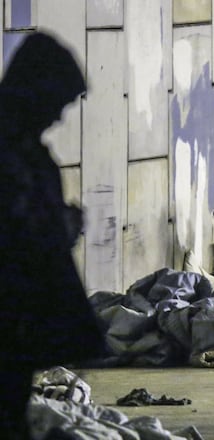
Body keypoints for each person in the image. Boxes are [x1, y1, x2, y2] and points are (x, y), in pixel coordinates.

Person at [0, 32, 105, 438]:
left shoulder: (24, 151)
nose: (59, 117)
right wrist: (58, 227)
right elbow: (19, 232)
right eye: (57, 103)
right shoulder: (15, 154)